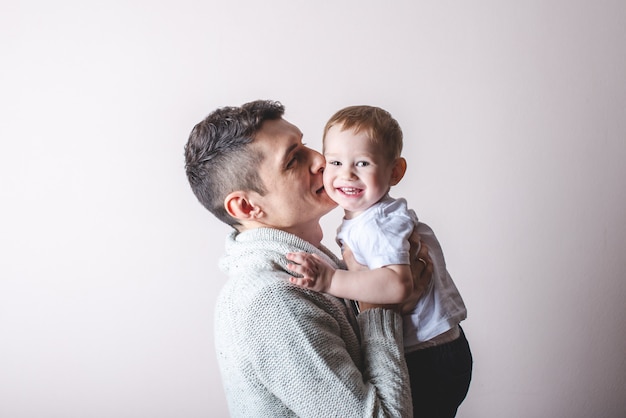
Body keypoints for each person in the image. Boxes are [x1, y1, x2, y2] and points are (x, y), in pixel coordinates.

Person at [184, 99, 432, 417]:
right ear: (246, 208)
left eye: (306, 145)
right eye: (293, 160)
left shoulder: (314, 264)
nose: (320, 160)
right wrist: (380, 309)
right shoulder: (271, 301)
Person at [287, 105, 473, 417]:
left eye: (362, 163)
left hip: (429, 356)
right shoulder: (369, 217)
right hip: (436, 349)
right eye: (335, 162)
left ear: (395, 172)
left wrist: (330, 280)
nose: (346, 174)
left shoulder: (378, 223)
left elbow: (397, 285)